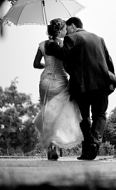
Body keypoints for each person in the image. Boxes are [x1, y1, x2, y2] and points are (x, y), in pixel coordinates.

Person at [63, 17, 116, 160]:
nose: (65, 32)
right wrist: (111, 82)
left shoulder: (71, 38)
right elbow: (108, 60)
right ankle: (94, 144)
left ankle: (87, 150)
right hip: (102, 83)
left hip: (82, 85)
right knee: (100, 115)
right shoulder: (99, 38)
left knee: (84, 117)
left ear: (73, 26)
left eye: (67, 28)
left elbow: (67, 64)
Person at [33, 18, 84, 161]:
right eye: (64, 29)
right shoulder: (64, 44)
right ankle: (55, 143)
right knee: (59, 114)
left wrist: (47, 66)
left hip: (44, 81)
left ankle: (51, 148)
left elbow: (36, 64)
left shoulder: (42, 45)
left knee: (47, 113)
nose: (66, 31)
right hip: (60, 80)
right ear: (60, 30)